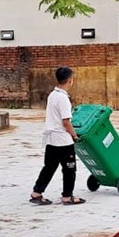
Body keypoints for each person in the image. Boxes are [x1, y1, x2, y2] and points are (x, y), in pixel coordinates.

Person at [29, 66, 85, 206]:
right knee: (69, 169)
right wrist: (74, 136)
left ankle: (36, 192)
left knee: (49, 167)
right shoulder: (63, 98)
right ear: (70, 80)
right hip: (63, 140)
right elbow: (66, 122)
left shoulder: (52, 95)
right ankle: (67, 196)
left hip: (51, 139)